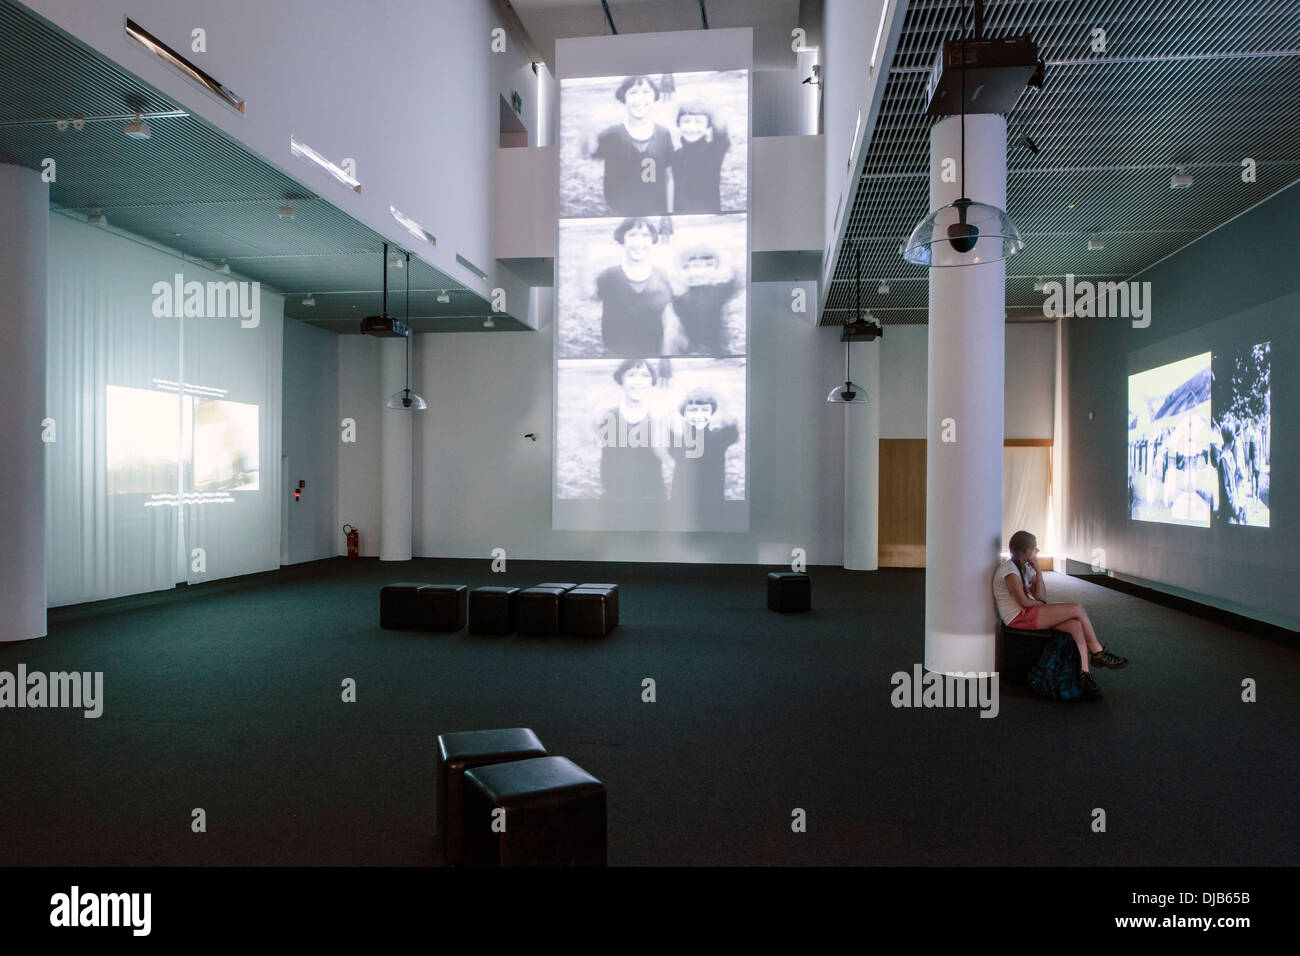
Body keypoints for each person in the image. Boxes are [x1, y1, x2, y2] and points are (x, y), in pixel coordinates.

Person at [993, 530, 1128, 699]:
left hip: (1029, 612)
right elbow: (1025, 603)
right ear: (1026, 550)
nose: (1037, 551)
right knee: (1077, 608)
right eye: (1035, 548)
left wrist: (1038, 571)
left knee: (1076, 625)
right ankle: (1097, 652)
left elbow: (1041, 596)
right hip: (1019, 617)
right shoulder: (1010, 570)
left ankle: (1085, 674)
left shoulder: (1025, 567)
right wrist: (1040, 604)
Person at [583, 75, 675, 216]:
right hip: (621, 211)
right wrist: (588, 127)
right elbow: (587, 153)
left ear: (655, 97)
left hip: (656, 209)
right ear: (623, 98)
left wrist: (669, 212)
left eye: (646, 92)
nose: (640, 99)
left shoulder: (663, 134)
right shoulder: (612, 134)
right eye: (633, 92)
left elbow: (669, 177)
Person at [593, 218, 681, 357]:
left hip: (653, 353)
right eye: (632, 235)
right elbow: (589, 296)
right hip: (616, 353)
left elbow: (669, 320)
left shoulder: (662, 276)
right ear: (622, 239)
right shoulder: (608, 276)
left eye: (645, 235)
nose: (639, 242)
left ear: (652, 240)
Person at [594, 359, 670, 501]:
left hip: (651, 497)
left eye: (645, 376)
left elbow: (665, 455)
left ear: (652, 382)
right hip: (616, 496)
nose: (638, 382)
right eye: (631, 375)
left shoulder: (659, 417)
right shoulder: (609, 416)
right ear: (621, 380)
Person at [667, 387, 740, 523]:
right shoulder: (679, 440)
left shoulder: (718, 437)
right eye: (693, 410)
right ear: (684, 414)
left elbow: (731, 430)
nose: (699, 415)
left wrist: (724, 402)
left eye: (705, 410)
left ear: (712, 413)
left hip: (712, 502)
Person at [672, 243, 740, 355]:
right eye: (689, 267)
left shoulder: (718, 291)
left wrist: (729, 257)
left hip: (716, 349)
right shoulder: (679, 299)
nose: (697, 272)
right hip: (691, 349)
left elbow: (735, 281)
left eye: (705, 266)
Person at [671, 100, 731, 214]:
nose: (692, 127)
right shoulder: (676, 155)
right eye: (686, 121)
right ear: (678, 124)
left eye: (698, 122)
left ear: (708, 126)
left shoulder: (713, 151)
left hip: (706, 214)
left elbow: (721, 133)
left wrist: (708, 109)